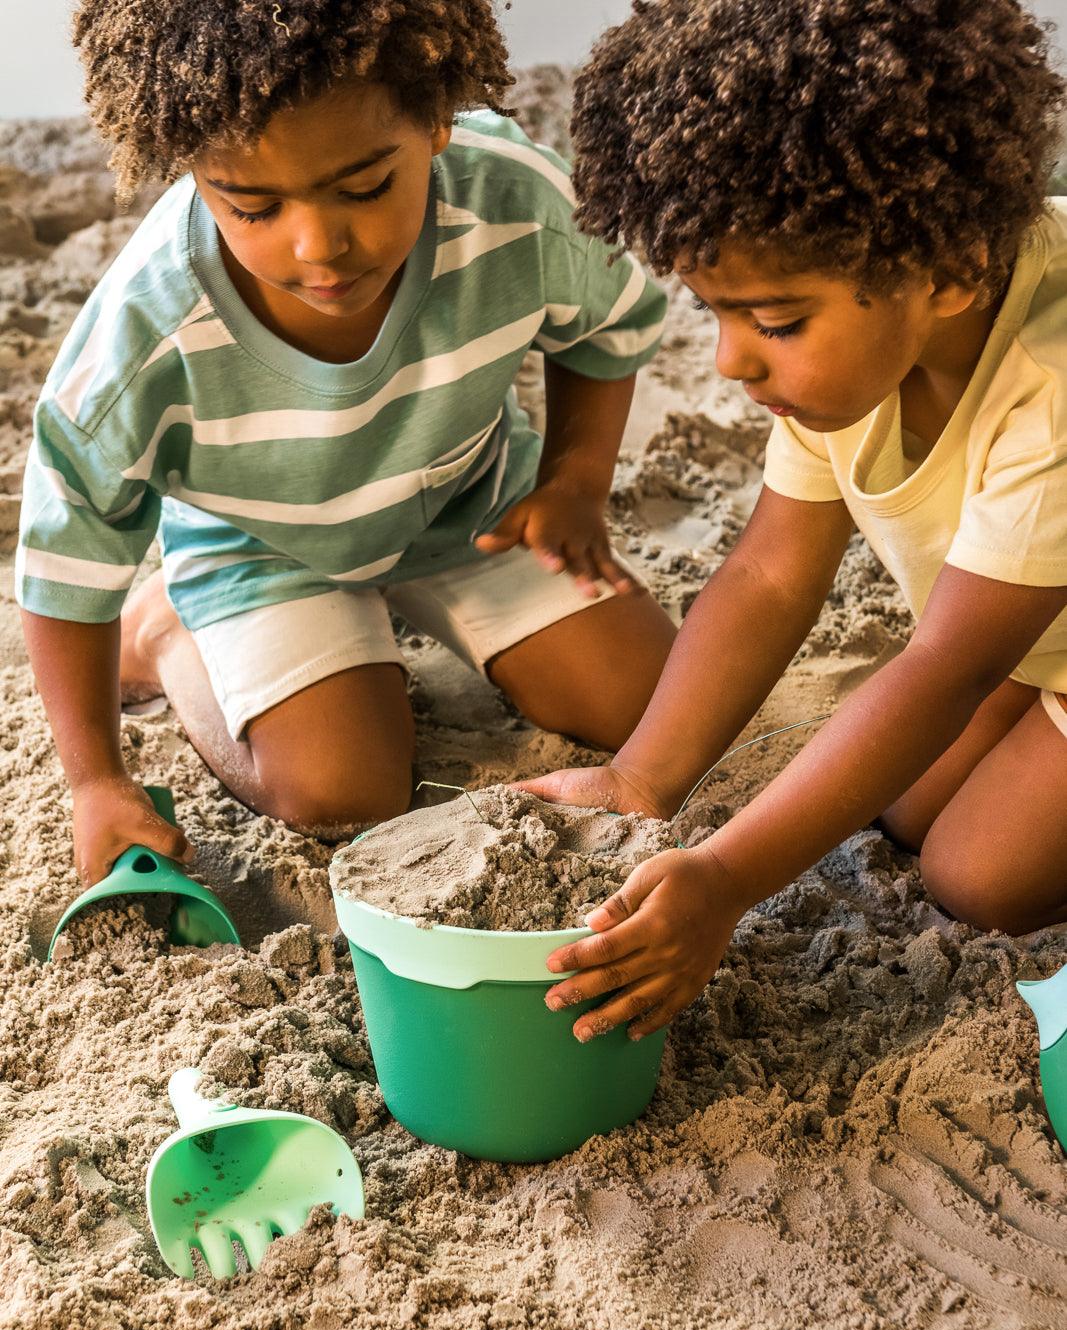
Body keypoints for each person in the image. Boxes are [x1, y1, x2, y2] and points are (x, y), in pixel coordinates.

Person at [18, 0, 675, 885]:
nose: (319, 246)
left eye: (365, 187)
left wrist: (574, 482)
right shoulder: (144, 338)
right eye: (252, 206)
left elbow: (608, 327)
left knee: (646, 700)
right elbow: (66, 559)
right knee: (341, 791)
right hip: (265, 545)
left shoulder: (518, 200)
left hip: (470, 500)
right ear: (192, 173)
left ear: (436, 121)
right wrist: (96, 779)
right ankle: (170, 628)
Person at [523, 0, 1067, 1043]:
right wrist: (643, 775)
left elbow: (942, 666)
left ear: (948, 272)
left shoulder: (1049, 387)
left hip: (987, 638)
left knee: (973, 874)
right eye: (713, 314)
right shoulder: (854, 350)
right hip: (1018, 623)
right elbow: (772, 572)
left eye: (772, 321)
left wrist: (725, 877)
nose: (730, 361)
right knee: (901, 810)